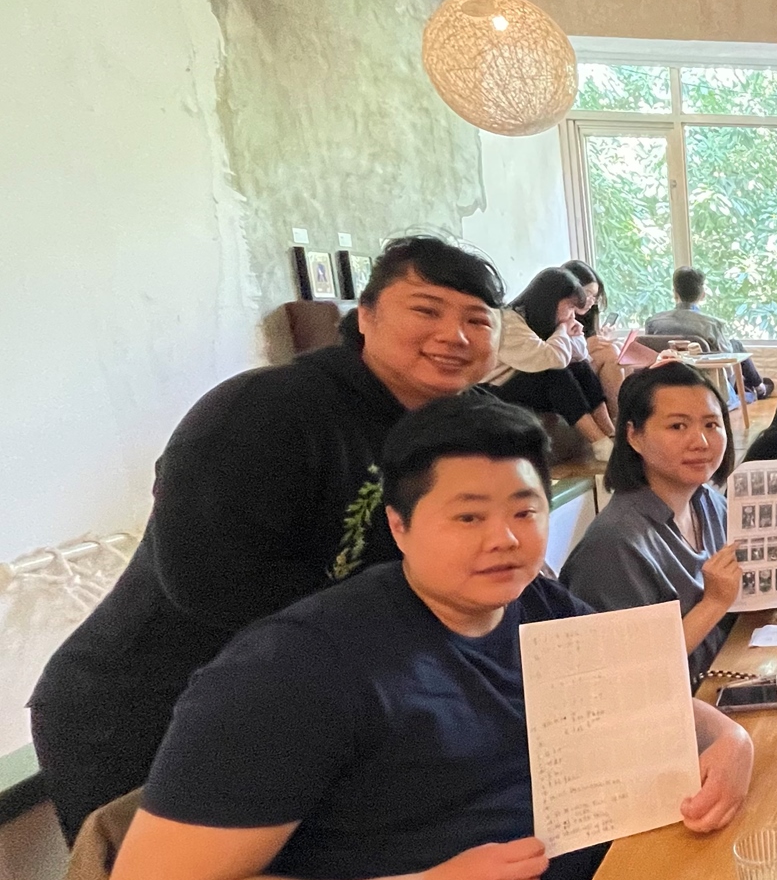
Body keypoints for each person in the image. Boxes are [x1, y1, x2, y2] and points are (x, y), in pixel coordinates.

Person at [93, 393, 756, 880]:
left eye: (524, 511)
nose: (503, 538)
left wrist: (728, 739)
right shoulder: (295, 669)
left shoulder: (538, 604)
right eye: (468, 517)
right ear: (399, 526)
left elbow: (642, 694)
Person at [29, 235, 504, 845]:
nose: (454, 335)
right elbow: (207, 581)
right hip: (146, 708)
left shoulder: (455, 430)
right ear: (365, 317)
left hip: (300, 702)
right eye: (426, 309)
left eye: (477, 319)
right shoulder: (268, 409)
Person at [562, 363, 777, 682]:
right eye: (677, 426)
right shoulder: (613, 546)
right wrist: (714, 602)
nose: (700, 441)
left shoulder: (707, 501)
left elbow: (747, 593)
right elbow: (628, 677)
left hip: (733, 669)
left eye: (711, 424)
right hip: (683, 702)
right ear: (634, 436)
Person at [484, 266, 614, 452]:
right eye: (570, 306)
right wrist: (563, 330)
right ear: (551, 301)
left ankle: (610, 432)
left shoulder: (544, 321)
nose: (572, 314)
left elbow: (580, 356)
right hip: (494, 388)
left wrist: (573, 334)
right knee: (555, 374)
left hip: (522, 381)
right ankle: (600, 443)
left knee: (581, 368)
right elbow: (553, 359)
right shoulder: (510, 322)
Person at [644, 266, 766, 398]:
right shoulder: (712, 325)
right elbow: (728, 368)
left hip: (663, 386)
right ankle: (759, 387)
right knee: (735, 345)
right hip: (707, 387)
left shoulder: (653, 322)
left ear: (674, 293)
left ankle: (757, 386)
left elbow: (648, 357)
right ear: (702, 294)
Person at [563, 259, 629, 424]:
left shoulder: (587, 314)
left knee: (619, 350)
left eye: (595, 296)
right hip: (565, 370)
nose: (591, 301)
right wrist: (586, 346)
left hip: (579, 362)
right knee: (611, 354)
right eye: (587, 294)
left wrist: (599, 337)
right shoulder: (559, 312)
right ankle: (619, 420)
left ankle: (626, 416)